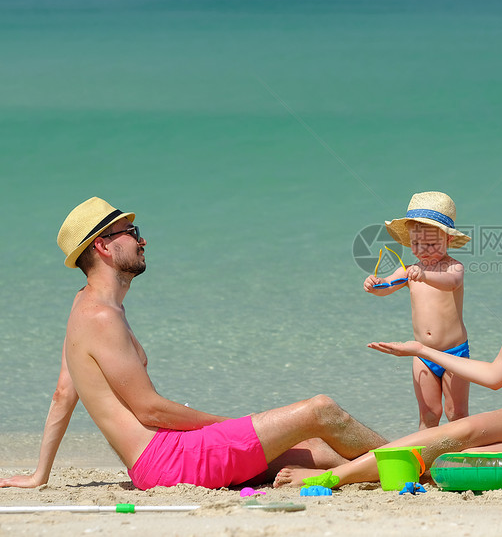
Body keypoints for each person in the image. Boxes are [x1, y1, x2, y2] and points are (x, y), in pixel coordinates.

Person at [0, 197, 386, 490]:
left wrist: (40, 474)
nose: (142, 239)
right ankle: (414, 458)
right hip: (168, 460)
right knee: (320, 410)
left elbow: (63, 393)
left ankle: (382, 468)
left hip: (162, 456)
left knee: (315, 448)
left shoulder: (85, 306)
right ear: (103, 246)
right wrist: (231, 425)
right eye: (131, 234)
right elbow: (150, 411)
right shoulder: (100, 317)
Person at [276, 197, 502, 488]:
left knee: (446, 462)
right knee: (449, 433)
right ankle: (331, 474)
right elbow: (494, 375)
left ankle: (336, 473)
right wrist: (423, 350)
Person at [363, 191, 471, 429]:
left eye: (431, 244)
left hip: (455, 352)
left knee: (456, 414)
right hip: (423, 353)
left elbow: (451, 282)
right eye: (416, 244)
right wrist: (373, 285)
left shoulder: (454, 267)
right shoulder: (409, 270)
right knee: (429, 414)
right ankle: (423, 461)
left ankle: (459, 458)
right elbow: (385, 287)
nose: (423, 250)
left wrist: (424, 275)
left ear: (449, 240)